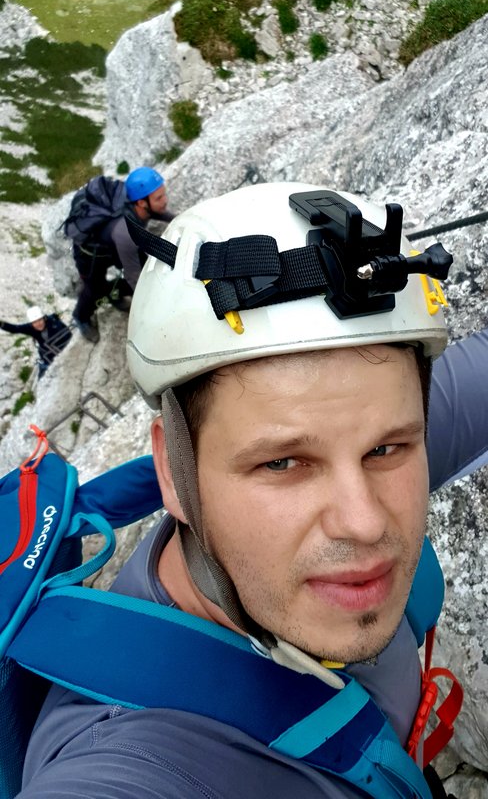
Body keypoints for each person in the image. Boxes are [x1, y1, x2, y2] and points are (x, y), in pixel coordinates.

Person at [18, 183, 480, 798]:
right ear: (172, 471)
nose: (365, 521)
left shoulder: (359, 424)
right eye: (283, 463)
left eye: (386, 449)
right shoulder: (131, 761)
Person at [73, 167, 174, 343]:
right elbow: (134, 277)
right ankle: (81, 317)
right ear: (142, 203)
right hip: (90, 255)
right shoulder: (125, 232)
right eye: (159, 198)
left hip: (114, 244)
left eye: (163, 194)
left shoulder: (137, 202)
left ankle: (114, 295)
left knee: (145, 270)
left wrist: (179, 218)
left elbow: (159, 212)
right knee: (93, 289)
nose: (165, 200)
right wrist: (155, 308)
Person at [0, 305, 71, 379]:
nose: (38, 324)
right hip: (47, 357)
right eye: (35, 322)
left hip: (61, 352)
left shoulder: (54, 323)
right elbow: (15, 329)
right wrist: (1, 324)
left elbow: (68, 336)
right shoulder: (31, 328)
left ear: (44, 318)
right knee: (43, 378)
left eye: (40, 320)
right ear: (31, 323)